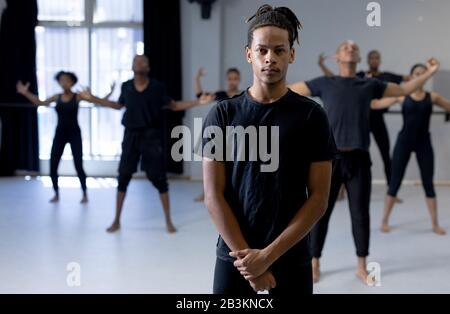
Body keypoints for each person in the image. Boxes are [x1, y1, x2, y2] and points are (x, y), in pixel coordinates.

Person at [203, 4, 337, 294]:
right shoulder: (223, 114)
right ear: (249, 53)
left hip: (290, 255)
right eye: (262, 50)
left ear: (291, 54)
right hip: (235, 256)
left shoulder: (312, 116)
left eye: (279, 50)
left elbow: (319, 199)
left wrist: (267, 256)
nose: (270, 58)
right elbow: (214, 196)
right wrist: (251, 266)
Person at [290, 40, 439, 284]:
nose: (350, 47)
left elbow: (404, 89)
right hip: (328, 160)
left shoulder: (369, 84)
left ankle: (361, 266)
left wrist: (431, 73)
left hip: (359, 159)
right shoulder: (325, 83)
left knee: (360, 214)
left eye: (354, 47)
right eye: (345, 47)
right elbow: (289, 90)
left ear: (358, 58)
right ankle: (314, 263)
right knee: (319, 214)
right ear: (337, 57)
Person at [80, 55, 214, 233]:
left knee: (160, 179)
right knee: (123, 177)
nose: (140, 63)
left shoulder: (157, 87)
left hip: (152, 137)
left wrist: (198, 102)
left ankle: (168, 220)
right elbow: (117, 105)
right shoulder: (126, 86)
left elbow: (174, 106)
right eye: (137, 61)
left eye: (144, 61)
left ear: (148, 67)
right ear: (132, 66)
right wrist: (93, 99)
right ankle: (116, 220)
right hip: (131, 136)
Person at [318, 50, 409, 199]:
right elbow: (334, 79)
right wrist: (322, 65)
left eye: (376, 57)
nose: (374, 60)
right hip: (361, 121)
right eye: (371, 57)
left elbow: (408, 80)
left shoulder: (387, 76)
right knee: (348, 153)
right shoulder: (360, 76)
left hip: (378, 120)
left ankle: (391, 191)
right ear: (366, 60)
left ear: (379, 60)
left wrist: (424, 73)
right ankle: (341, 188)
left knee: (386, 154)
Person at [372, 63, 450, 235]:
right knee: (394, 182)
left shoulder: (432, 96)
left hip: (424, 143)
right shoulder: (401, 96)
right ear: (412, 76)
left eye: (423, 73)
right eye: (416, 73)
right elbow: (376, 105)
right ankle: (384, 221)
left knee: (428, 184)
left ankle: (435, 224)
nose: (420, 75)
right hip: (404, 142)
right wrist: (365, 87)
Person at [16, 72, 113, 203]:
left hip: (74, 134)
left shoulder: (78, 96)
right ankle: (56, 194)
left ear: (72, 83)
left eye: (67, 80)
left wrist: (108, 93)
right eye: (61, 80)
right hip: (60, 134)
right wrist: (25, 93)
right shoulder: (57, 97)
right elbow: (40, 102)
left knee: (78, 165)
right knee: (53, 166)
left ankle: (84, 194)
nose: (64, 82)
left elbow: (97, 101)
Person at [193, 67, 242, 202]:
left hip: (236, 135)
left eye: (235, 79)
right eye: (230, 79)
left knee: (233, 166)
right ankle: (205, 193)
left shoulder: (243, 95)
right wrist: (197, 78)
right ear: (227, 80)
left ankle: (232, 194)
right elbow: (200, 96)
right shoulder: (220, 94)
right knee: (211, 164)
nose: (232, 82)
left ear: (239, 80)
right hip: (219, 133)